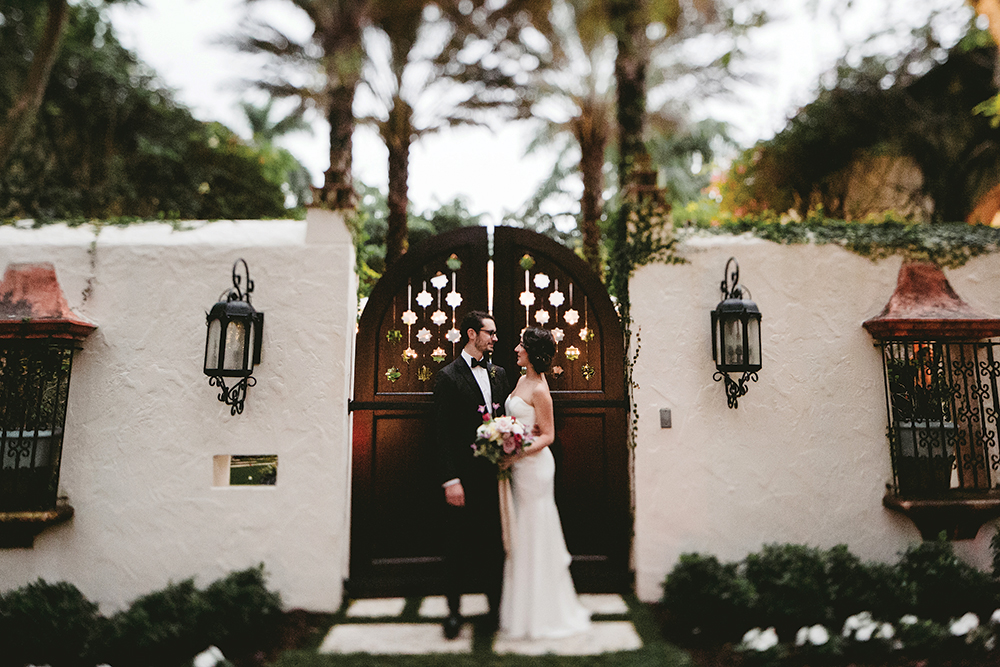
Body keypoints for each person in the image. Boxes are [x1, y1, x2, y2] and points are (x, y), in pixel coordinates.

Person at [499, 327, 591, 639]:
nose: (515, 349)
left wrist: (514, 454)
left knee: (534, 531)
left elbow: (548, 435)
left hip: (534, 468)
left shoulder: (539, 388)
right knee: (521, 532)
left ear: (531, 351)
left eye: (521, 345)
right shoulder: (522, 379)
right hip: (519, 466)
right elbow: (519, 422)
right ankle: (521, 610)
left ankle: (542, 614)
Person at [433, 310, 511, 639]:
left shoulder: (500, 373)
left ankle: (495, 608)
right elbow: (440, 434)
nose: (495, 338)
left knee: (494, 543)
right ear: (470, 334)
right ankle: (453, 612)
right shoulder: (447, 377)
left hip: (494, 476)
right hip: (462, 479)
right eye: (489, 333)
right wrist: (451, 480)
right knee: (457, 545)